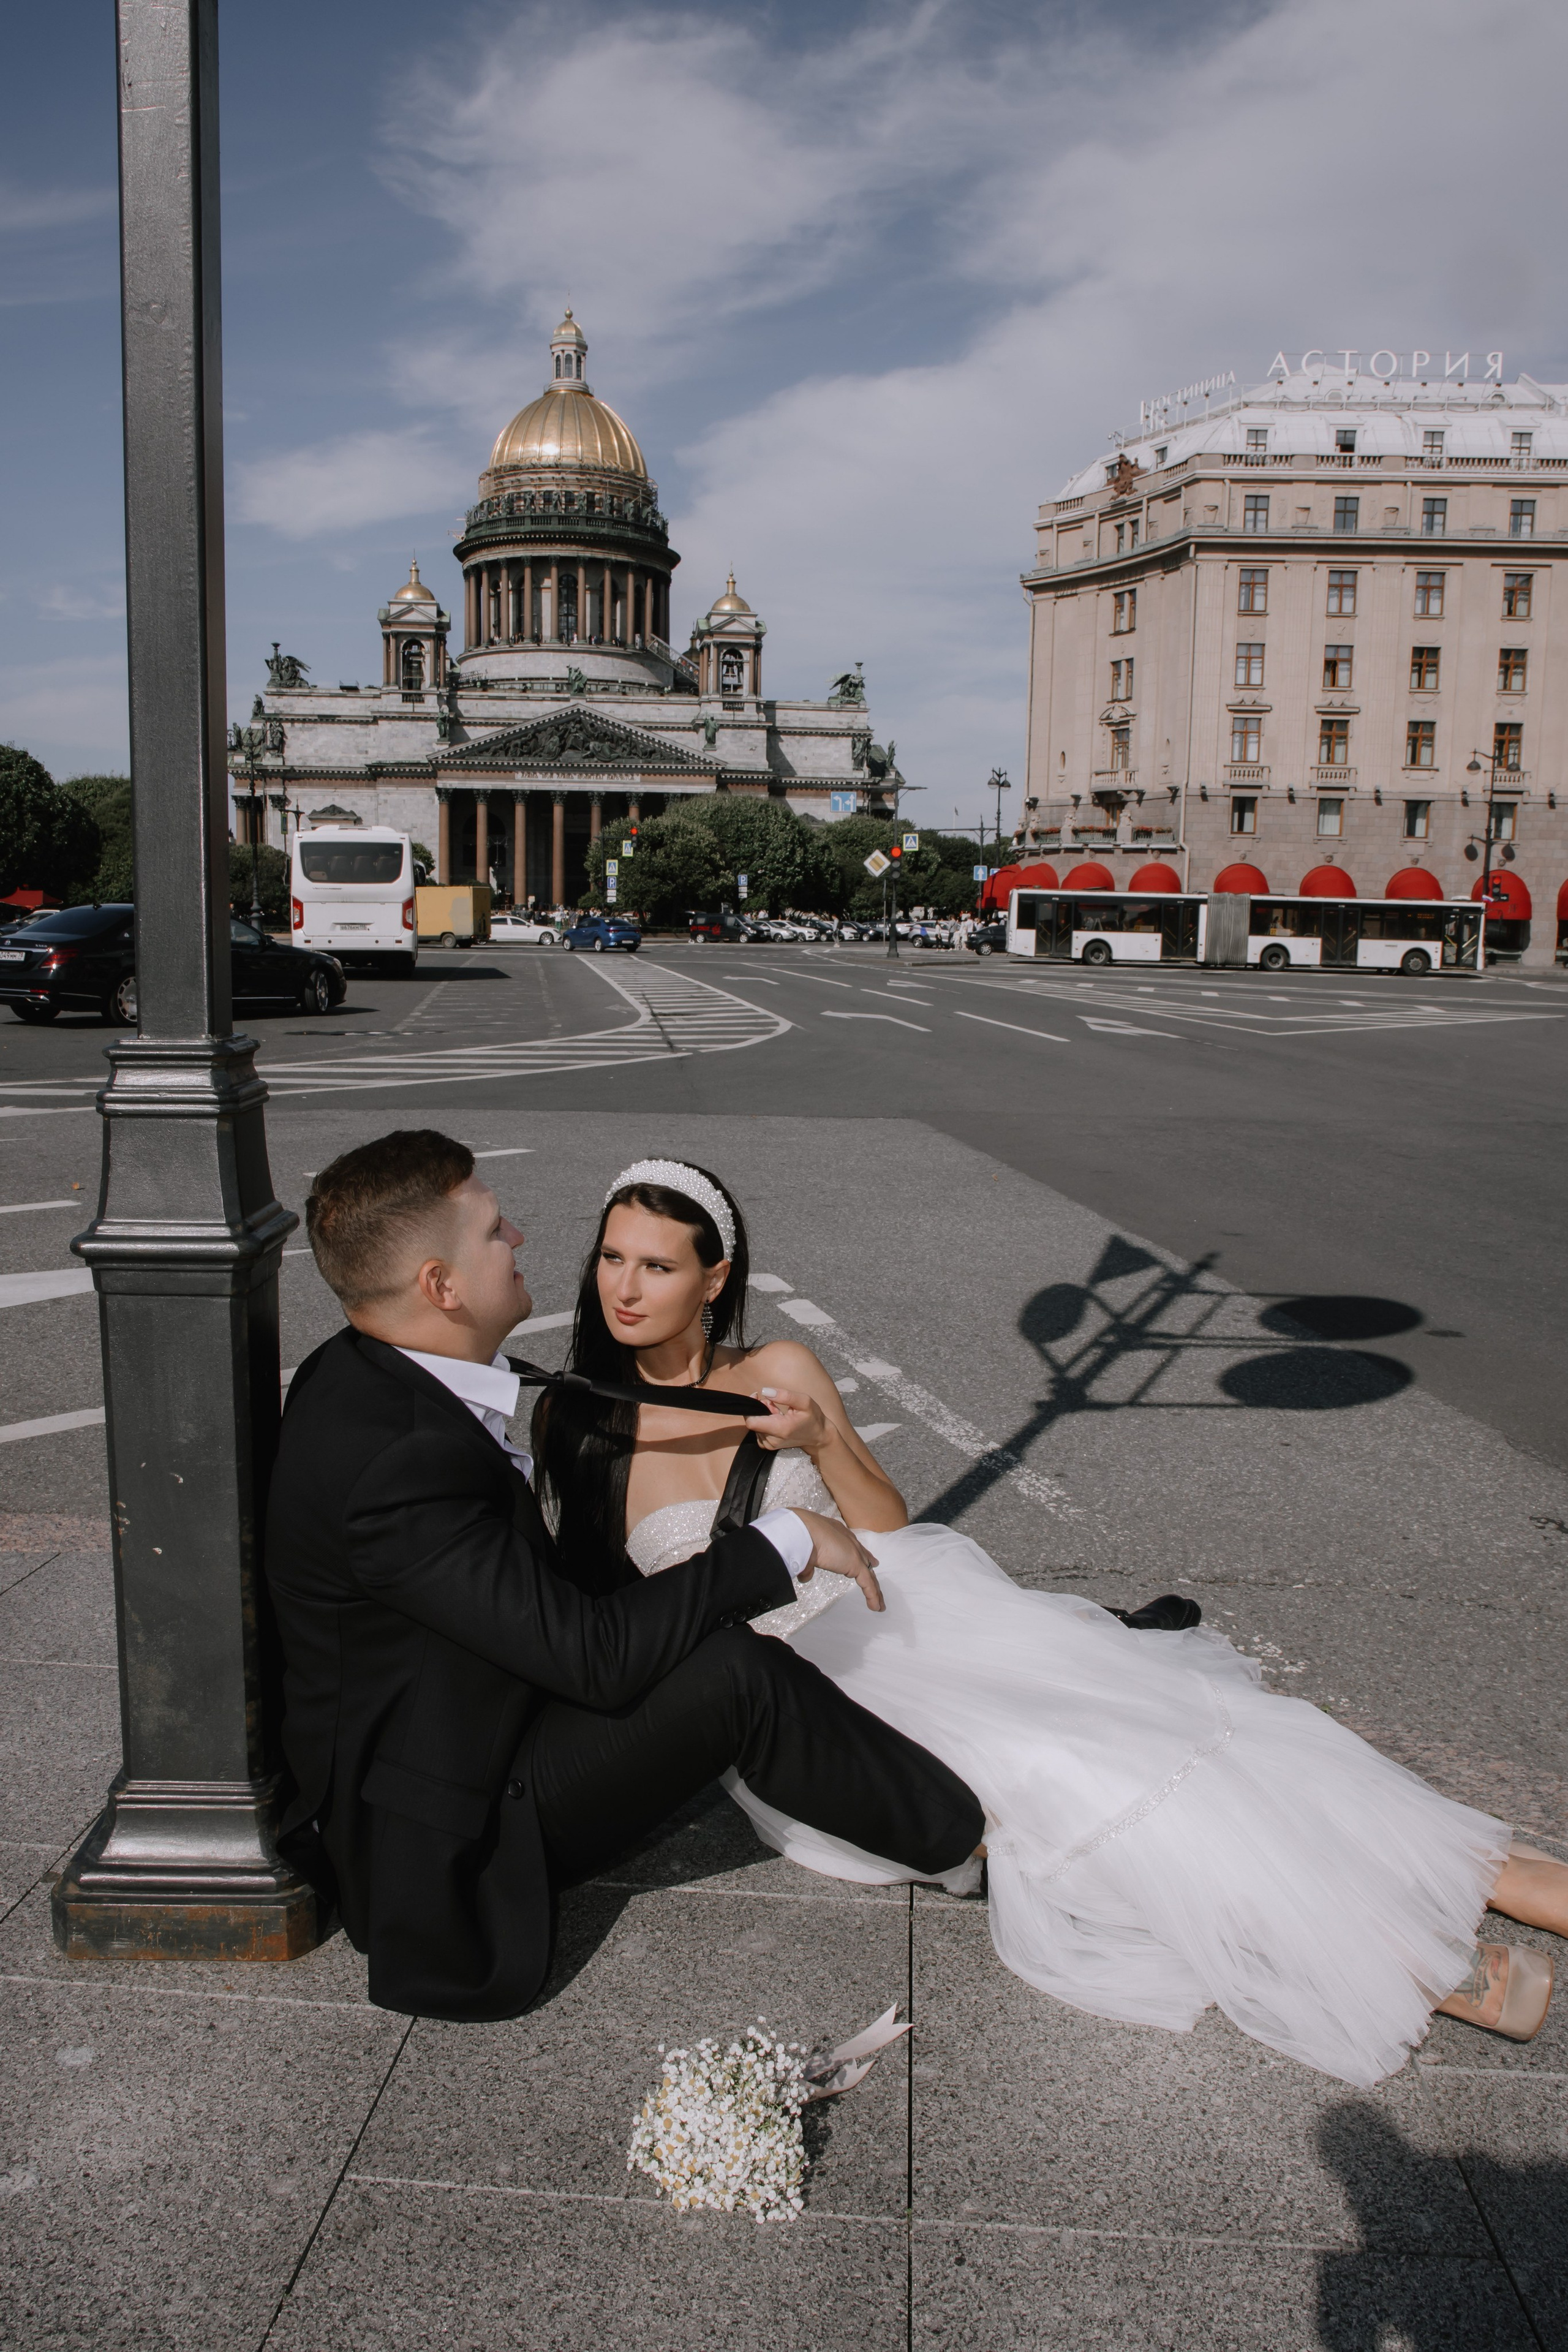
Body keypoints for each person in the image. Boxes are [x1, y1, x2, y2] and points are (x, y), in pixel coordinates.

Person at [536, 1157, 1568, 2090]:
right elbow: (606, 1618)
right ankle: (1400, 1955)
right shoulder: (578, 1419)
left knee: (1137, 1724)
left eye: (657, 1266)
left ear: (714, 1278)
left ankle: (1488, 1871)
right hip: (789, 1694)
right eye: (612, 1259)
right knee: (1049, 1780)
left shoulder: (782, 1368)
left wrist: (819, 1440)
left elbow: (886, 1523)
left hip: (900, 1612)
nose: (625, 1287)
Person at [263, 1131, 984, 2022]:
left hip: (477, 1719)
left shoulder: (366, 1369)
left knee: (723, 1657)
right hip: (462, 1822)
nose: (520, 1237)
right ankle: (968, 1849)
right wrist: (783, 1541)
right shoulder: (397, 1462)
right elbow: (593, 1658)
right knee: (738, 1674)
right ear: (441, 1287)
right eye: (493, 1229)